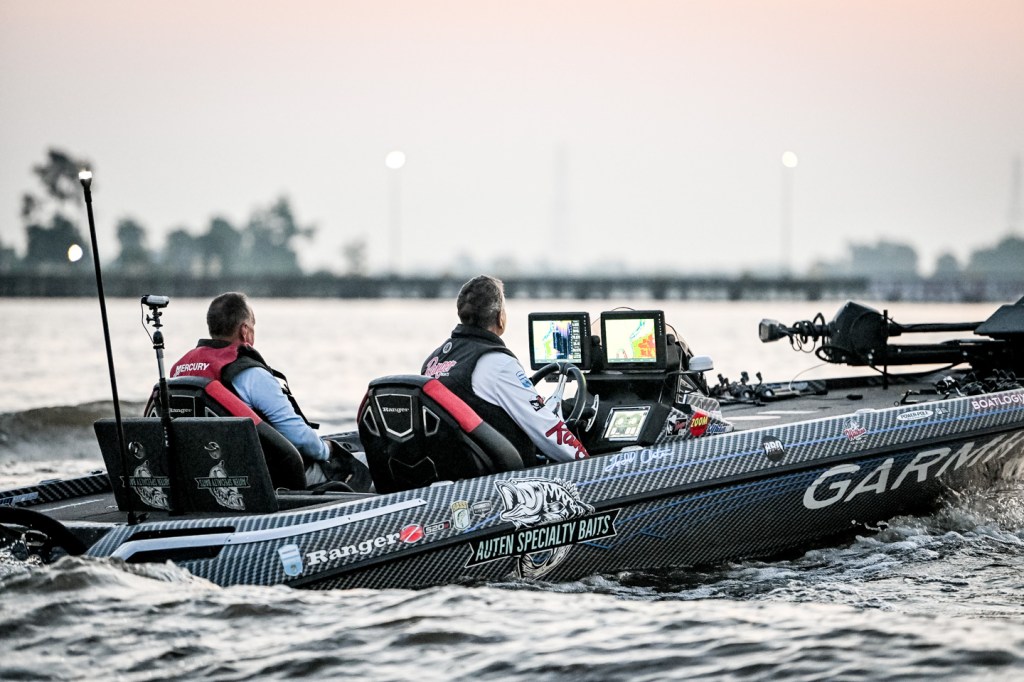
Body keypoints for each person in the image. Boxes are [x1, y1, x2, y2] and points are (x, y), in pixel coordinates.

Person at [169, 292, 369, 490]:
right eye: (253, 325)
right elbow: (297, 435)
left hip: (207, 474)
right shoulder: (249, 373)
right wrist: (328, 450)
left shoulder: (179, 372)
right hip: (268, 478)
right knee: (366, 461)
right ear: (245, 330)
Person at [422, 275, 589, 466]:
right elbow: (547, 429)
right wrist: (586, 462)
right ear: (500, 318)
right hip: (499, 475)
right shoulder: (499, 364)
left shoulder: (433, 361)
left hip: (451, 469)